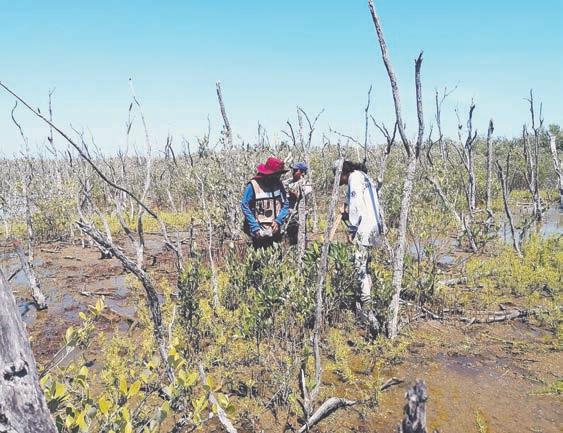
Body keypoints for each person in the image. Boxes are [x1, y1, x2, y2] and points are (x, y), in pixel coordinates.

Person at [335, 160, 384, 335]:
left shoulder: (355, 178)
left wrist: (352, 229)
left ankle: (367, 307)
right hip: (375, 227)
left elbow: (357, 206)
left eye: (338, 176)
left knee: (360, 266)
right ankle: (368, 298)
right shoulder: (364, 177)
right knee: (366, 266)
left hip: (365, 228)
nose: (338, 180)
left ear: (343, 172)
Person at [241, 157, 290, 249]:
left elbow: (286, 204)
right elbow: (245, 205)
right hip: (258, 232)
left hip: (275, 232)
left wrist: (278, 221)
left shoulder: (278, 184)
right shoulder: (253, 185)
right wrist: (255, 227)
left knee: (276, 255)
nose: (278, 177)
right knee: (259, 255)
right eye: (276, 175)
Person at [283, 162, 312, 245]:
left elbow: (300, 197)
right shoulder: (288, 182)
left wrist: (292, 193)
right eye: (293, 170)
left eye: (296, 170)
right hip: (287, 215)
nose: (293, 172)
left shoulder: (306, 185)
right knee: (288, 237)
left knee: (299, 237)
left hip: (298, 216)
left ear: (302, 172)